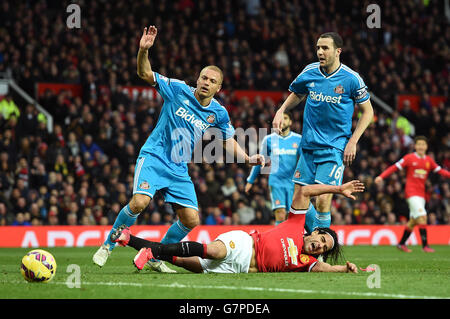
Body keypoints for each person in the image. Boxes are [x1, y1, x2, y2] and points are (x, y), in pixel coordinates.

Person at [93, 26, 264, 271]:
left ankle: (154, 256)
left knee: (191, 219)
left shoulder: (218, 113)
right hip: (154, 156)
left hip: (178, 167)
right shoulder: (177, 89)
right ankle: (108, 244)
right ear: (198, 78)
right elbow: (145, 73)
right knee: (139, 202)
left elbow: (227, 140)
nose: (206, 82)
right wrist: (143, 51)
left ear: (218, 89)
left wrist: (247, 158)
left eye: (212, 81)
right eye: (204, 77)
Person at [110, 180, 365, 274]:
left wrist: (347, 268)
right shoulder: (296, 224)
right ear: (316, 231)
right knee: (213, 251)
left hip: (237, 269)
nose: (319, 246)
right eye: (322, 239)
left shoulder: (308, 262)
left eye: (323, 248)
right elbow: (306, 191)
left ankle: (128, 239)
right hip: (243, 245)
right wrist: (338, 189)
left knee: (176, 258)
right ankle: (152, 253)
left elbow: (330, 268)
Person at [272, 32, 374, 236]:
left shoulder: (351, 79)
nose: (320, 52)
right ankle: (315, 237)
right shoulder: (310, 71)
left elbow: (368, 111)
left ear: (338, 51)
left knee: (322, 198)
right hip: (308, 147)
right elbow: (297, 94)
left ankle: (323, 249)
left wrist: (352, 141)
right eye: (318, 47)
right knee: (299, 198)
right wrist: (281, 111)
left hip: (334, 147)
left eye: (325, 48)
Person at [375, 136, 450, 253]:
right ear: (415, 146)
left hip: (421, 195)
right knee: (423, 217)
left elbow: (441, 171)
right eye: (418, 144)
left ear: (426, 147)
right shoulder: (409, 158)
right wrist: (381, 176)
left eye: (423, 144)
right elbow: (394, 167)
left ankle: (401, 244)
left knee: (413, 221)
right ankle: (425, 246)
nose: (421, 146)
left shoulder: (428, 160)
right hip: (411, 193)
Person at [245, 112, 302, 225]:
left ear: (290, 122)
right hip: (276, 181)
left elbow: (304, 162)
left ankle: (292, 240)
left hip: (293, 183)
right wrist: (250, 180)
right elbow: (260, 160)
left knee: (292, 215)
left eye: (285, 118)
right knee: (280, 213)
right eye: (281, 118)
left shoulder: (298, 139)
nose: (283, 120)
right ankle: (279, 241)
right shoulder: (269, 140)